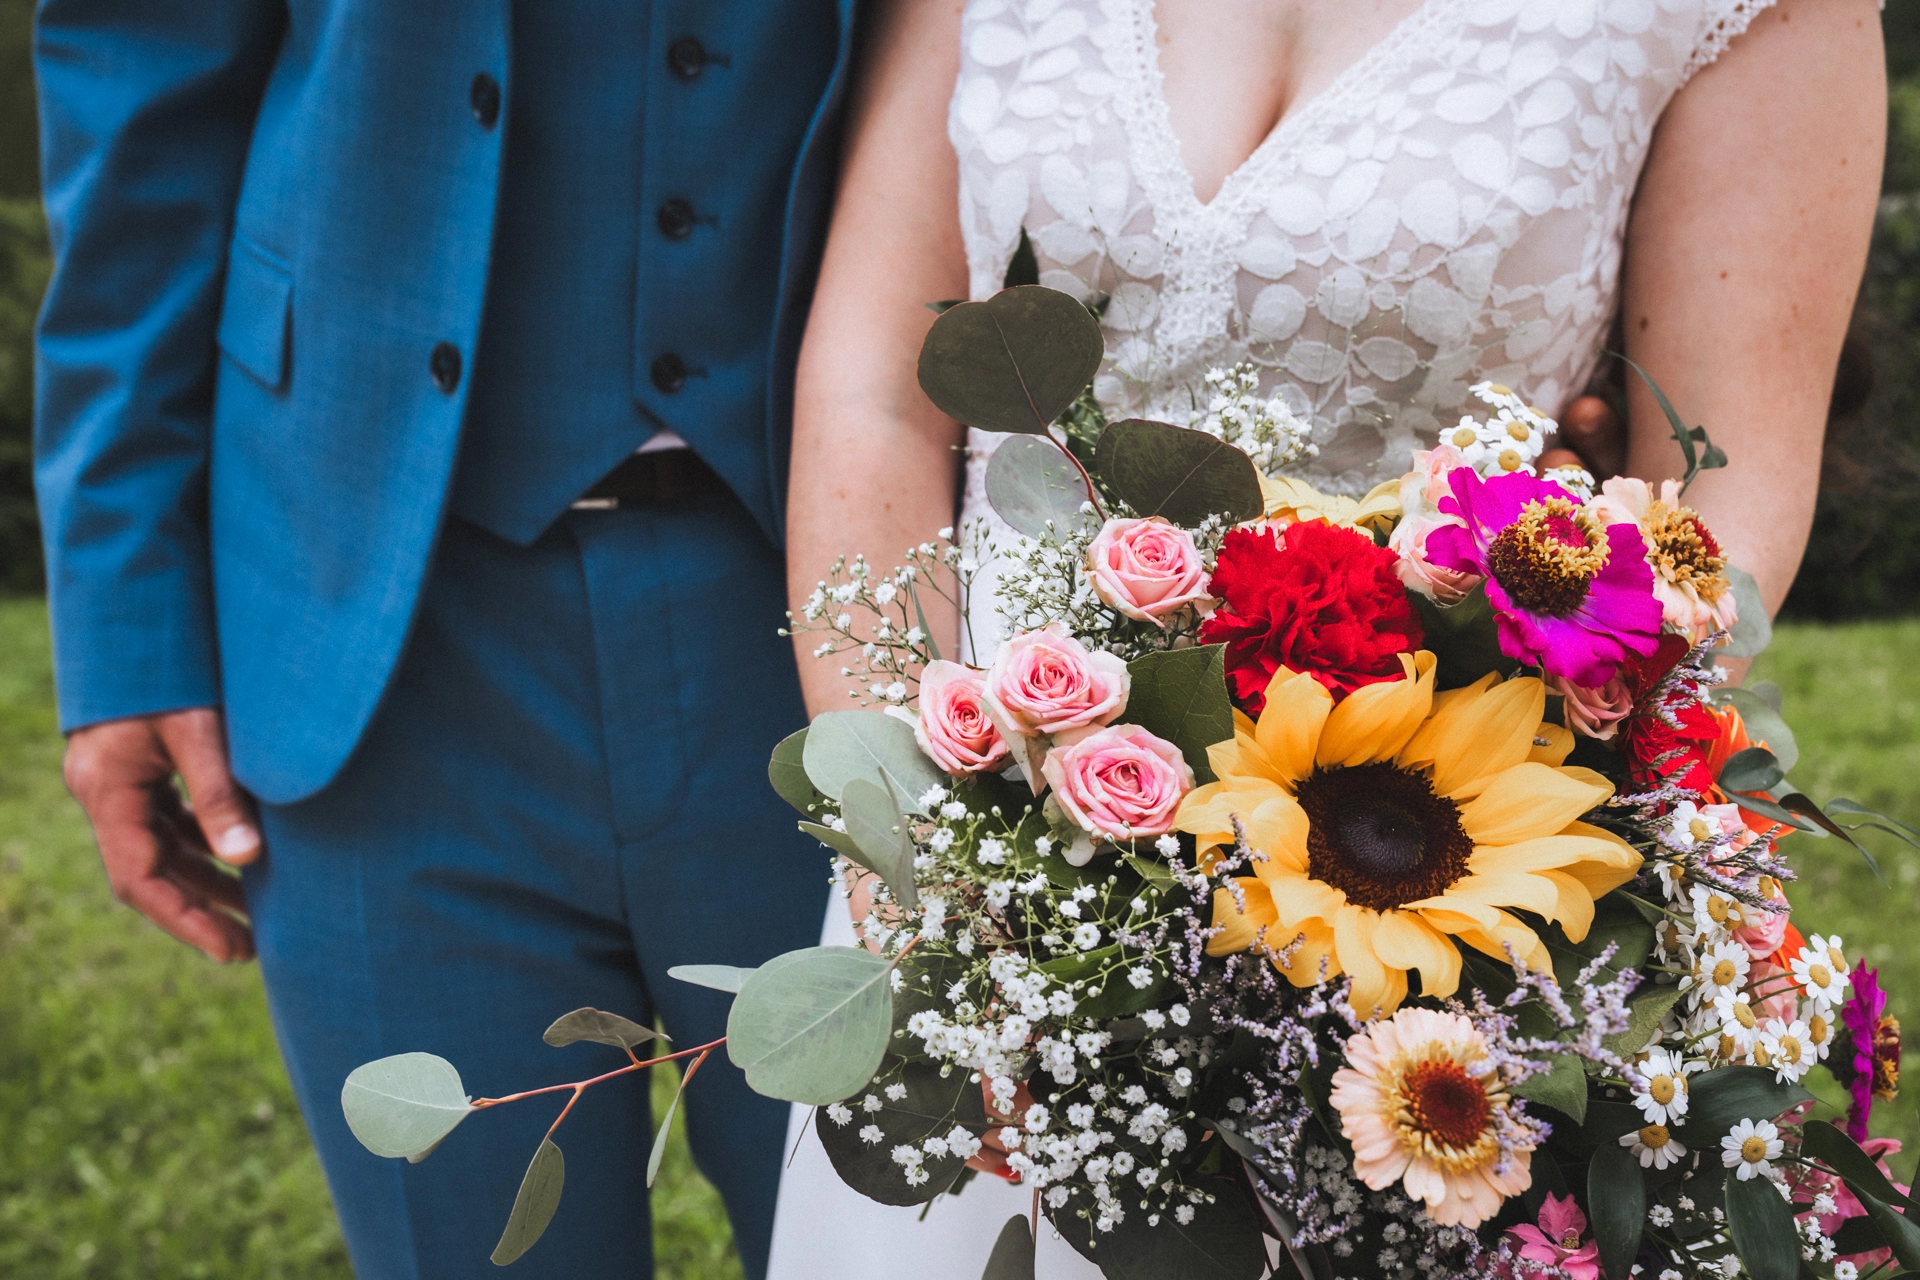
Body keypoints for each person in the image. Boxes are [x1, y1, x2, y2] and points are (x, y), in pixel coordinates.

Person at [772, 0, 1883, 1274]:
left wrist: (1494, 903)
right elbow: (875, 390)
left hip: (1421, 914)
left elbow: (1719, 515)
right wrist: (921, 867)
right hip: (988, 849)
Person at [33, 3, 857, 1276]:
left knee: (908, 1239)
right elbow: (140, 53)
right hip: (370, 617)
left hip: (853, 604)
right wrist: (124, 626)